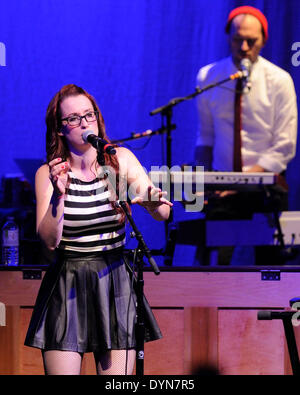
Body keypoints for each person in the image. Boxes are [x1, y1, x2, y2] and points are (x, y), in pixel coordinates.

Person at [24, 84, 172, 375]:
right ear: (59, 129)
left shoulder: (119, 161)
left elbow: (163, 212)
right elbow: (49, 241)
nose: (83, 123)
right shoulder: (48, 174)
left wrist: (153, 202)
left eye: (88, 115)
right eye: (73, 119)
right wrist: (60, 195)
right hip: (67, 283)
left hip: (114, 280)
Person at [194, 6, 298, 265]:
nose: (243, 47)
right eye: (237, 39)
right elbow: (205, 138)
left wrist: (243, 181)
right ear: (228, 37)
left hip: (266, 188)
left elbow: (284, 146)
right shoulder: (209, 77)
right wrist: (203, 182)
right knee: (213, 267)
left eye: (251, 41)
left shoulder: (280, 80)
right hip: (221, 188)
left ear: (263, 40)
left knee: (269, 270)